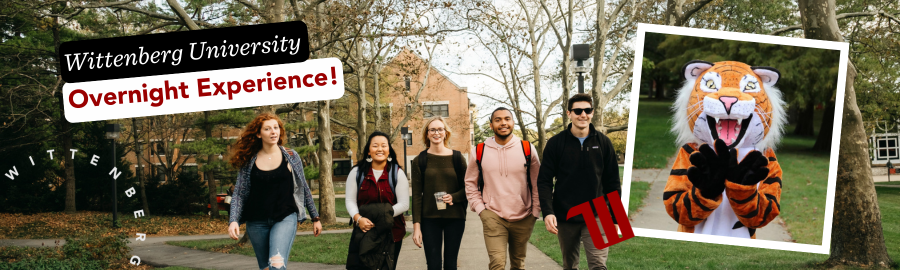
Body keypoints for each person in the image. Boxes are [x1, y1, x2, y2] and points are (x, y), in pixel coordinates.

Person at [227, 113, 322, 270]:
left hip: (285, 217)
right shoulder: (249, 159)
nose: (273, 132)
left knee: (276, 265)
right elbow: (239, 193)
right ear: (258, 134)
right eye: (267, 129)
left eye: (276, 128)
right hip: (256, 221)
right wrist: (233, 220)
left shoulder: (291, 156)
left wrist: (315, 217)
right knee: (266, 267)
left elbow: (303, 186)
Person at [537, 93, 621, 270]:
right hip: (566, 214)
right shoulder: (555, 143)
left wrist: (616, 218)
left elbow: (613, 182)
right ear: (569, 113)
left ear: (592, 112)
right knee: (570, 266)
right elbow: (544, 181)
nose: (583, 114)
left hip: (599, 213)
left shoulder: (604, 142)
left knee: (599, 265)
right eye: (578, 111)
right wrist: (548, 212)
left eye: (587, 110)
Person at [464, 107, 540, 270]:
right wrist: (481, 209)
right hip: (493, 215)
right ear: (491, 125)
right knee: (497, 263)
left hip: (524, 215)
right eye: (498, 120)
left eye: (507, 119)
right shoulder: (479, 150)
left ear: (513, 123)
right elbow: (470, 182)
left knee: (518, 264)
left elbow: (537, 183)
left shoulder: (526, 148)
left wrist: (535, 212)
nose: (503, 123)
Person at [345, 131, 410, 270]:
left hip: (392, 234)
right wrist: (358, 219)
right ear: (369, 151)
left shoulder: (397, 173)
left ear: (389, 150)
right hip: (364, 231)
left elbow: (404, 204)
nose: (379, 149)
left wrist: (381, 216)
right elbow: (350, 200)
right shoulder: (356, 173)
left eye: (383, 146)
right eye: (375, 146)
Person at [411, 117, 468, 270]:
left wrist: (454, 197)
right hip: (429, 219)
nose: (436, 133)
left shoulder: (457, 158)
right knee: (433, 265)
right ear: (427, 134)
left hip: (455, 218)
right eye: (432, 130)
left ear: (445, 133)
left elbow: (469, 188)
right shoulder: (419, 160)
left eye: (440, 129)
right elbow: (416, 196)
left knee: (451, 264)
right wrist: (417, 227)